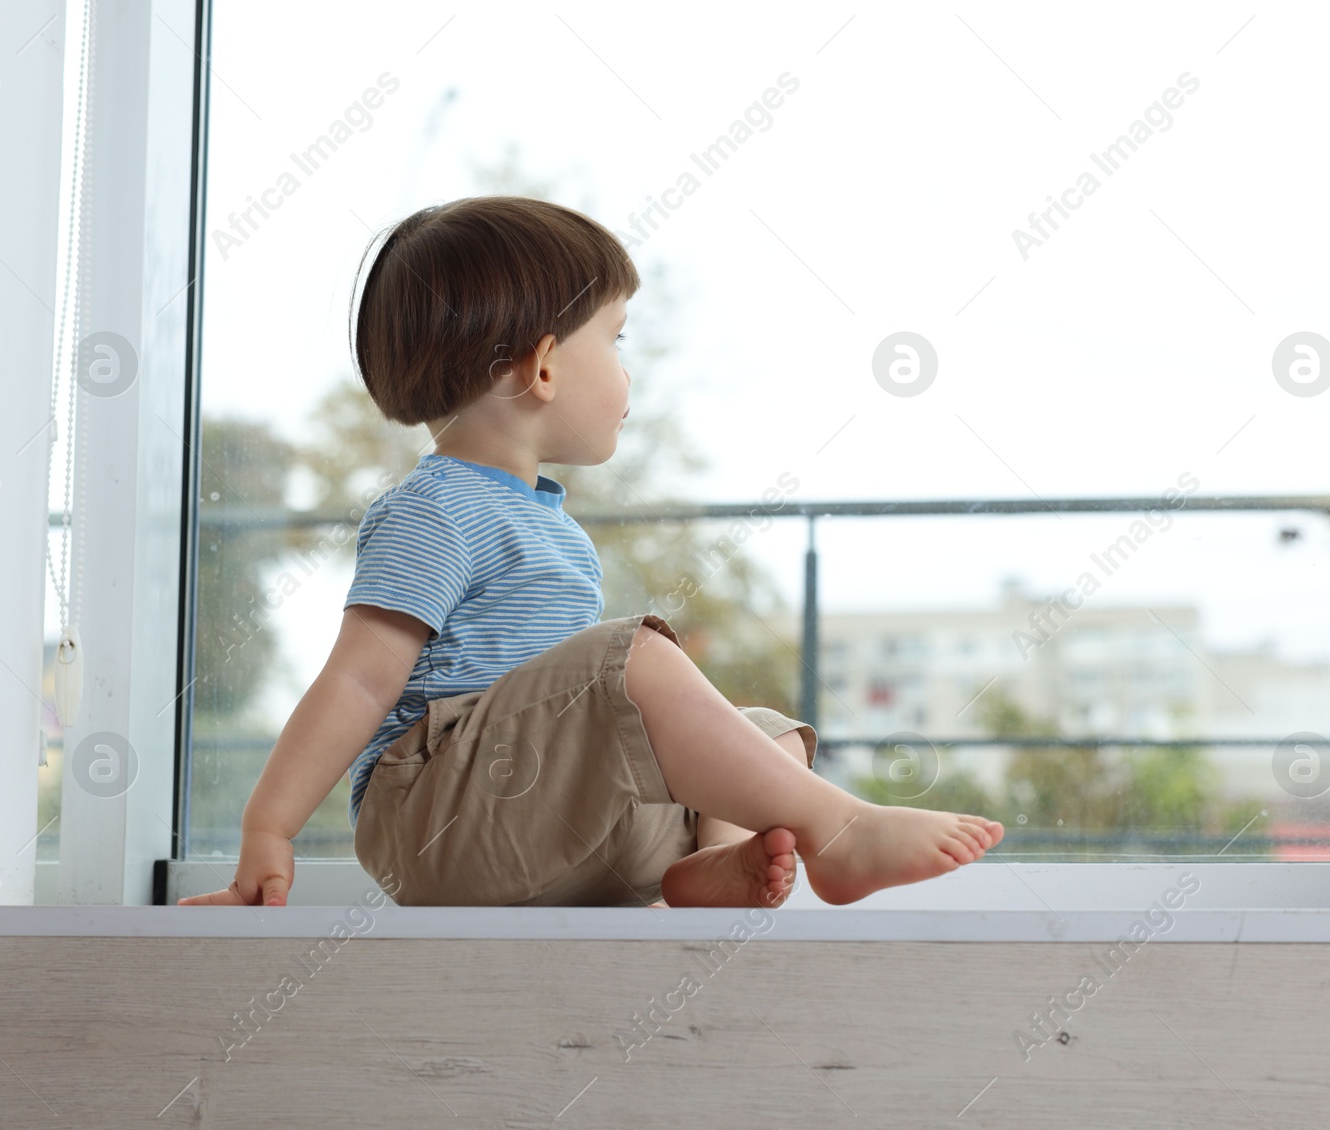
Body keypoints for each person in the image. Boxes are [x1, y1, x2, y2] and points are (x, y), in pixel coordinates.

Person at [179, 196, 1002, 910]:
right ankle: (841, 828)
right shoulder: (433, 509)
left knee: (764, 733)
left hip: (546, 823)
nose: (627, 371)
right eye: (616, 339)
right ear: (542, 366)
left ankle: (702, 866)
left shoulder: (549, 525)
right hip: (439, 822)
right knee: (633, 658)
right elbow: (359, 676)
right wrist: (267, 825)